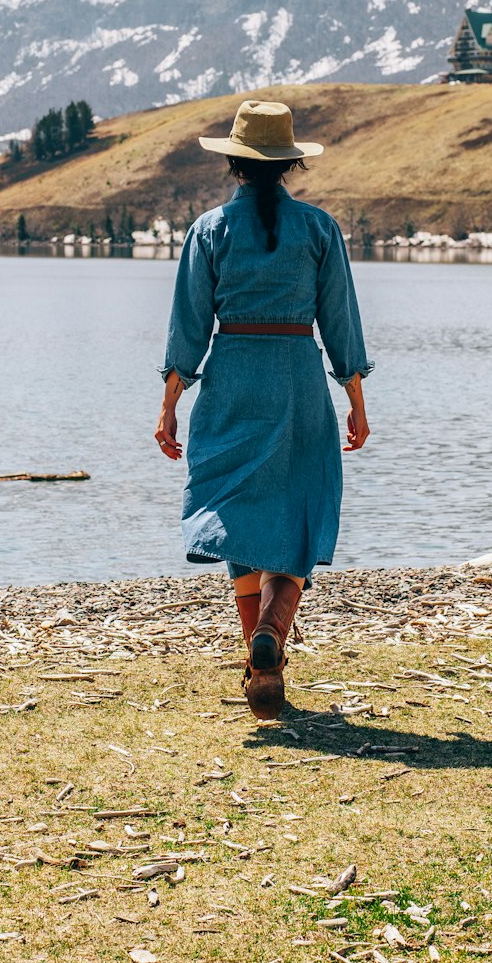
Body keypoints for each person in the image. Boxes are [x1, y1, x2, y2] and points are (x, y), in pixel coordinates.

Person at [155, 99, 373, 720]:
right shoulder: (319, 229)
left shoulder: (209, 230)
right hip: (299, 378)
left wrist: (170, 406)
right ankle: (274, 635)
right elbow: (343, 325)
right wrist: (356, 401)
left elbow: (187, 330)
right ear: (290, 165)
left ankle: (258, 659)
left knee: (239, 510)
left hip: (232, 377)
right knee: (299, 507)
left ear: (233, 164)